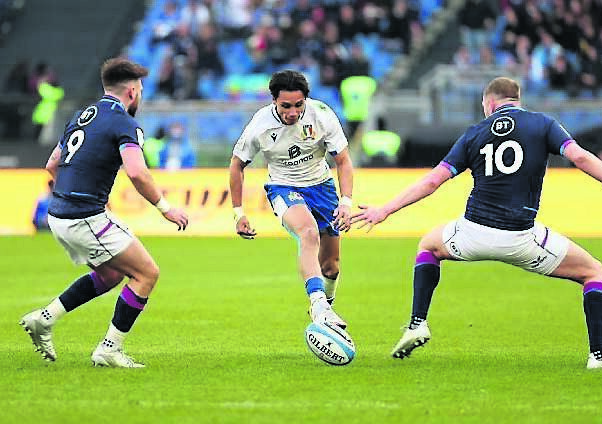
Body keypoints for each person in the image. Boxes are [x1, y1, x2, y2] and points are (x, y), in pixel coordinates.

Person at [352, 77, 602, 369]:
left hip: (471, 233)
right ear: (517, 99)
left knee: (428, 245)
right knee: (594, 271)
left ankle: (417, 323)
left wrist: (385, 210)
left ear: (490, 103)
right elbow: (580, 158)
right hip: (520, 237)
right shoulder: (542, 124)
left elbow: (432, 181)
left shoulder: (474, 132)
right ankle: (599, 357)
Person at [19, 57, 189, 368]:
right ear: (133, 91)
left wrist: (71, 196)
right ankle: (109, 349)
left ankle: (45, 318)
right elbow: (137, 173)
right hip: (83, 215)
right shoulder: (124, 122)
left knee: (111, 273)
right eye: (140, 90)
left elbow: (52, 165)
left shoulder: (83, 115)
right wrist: (166, 208)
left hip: (59, 214)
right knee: (146, 273)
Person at [229, 69, 354, 329]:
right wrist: (238, 213)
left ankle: (326, 309)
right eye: (286, 106)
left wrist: (346, 202)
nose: (293, 112)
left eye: (299, 105)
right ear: (274, 100)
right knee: (308, 233)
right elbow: (237, 165)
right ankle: (318, 304)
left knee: (331, 267)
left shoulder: (321, 114)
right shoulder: (260, 125)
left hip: (322, 188)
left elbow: (342, 160)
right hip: (283, 187)